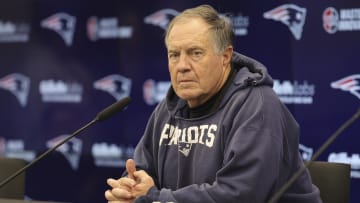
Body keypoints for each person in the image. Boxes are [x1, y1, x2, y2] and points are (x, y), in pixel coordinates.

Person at [105, 4, 322, 203]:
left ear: (225, 56)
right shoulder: (169, 108)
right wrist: (128, 190)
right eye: (174, 54)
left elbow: (240, 196)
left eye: (195, 53)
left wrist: (153, 198)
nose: (182, 66)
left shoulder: (257, 107)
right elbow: (139, 173)